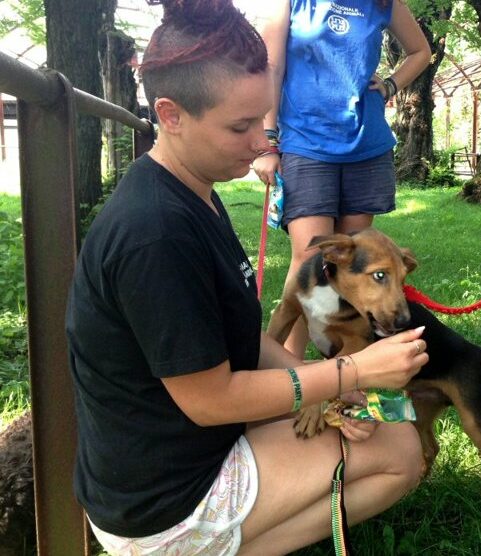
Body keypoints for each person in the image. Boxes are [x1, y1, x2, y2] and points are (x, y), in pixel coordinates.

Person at [66, 2, 428, 554]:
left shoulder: (191, 195)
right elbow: (210, 401)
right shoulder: (156, 233)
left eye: (264, 119)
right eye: (241, 126)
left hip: (179, 461)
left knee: (382, 425)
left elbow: (236, 342)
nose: (264, 141)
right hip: (164, 506)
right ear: (171, 114)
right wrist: (350, 371)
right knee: (402, 453)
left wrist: (337, 392)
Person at [252, 0, 430, 357]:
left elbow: (421, 51)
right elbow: (271, 67)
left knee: (350, 268)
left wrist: (391, 85)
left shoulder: (384, 2)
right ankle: (288, 371)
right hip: (306, 142)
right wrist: (268, 140)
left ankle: (345, 378)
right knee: (309, 259)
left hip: (367, 146)